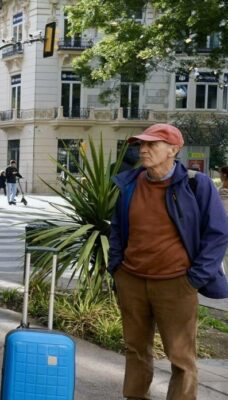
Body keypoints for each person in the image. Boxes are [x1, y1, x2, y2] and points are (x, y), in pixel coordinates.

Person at [108, 123, 228, 400]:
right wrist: (117, 268)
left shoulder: (197, 185)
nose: (144, 150)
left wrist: (195, 278)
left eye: (152, 144)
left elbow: (217, 234)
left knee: (180, 356)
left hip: (176, 283)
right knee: (135, 348)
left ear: (174, 150)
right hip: (132, 280)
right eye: (141, 144)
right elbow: (117, 228)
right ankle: (135, 396)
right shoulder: (129, 184)